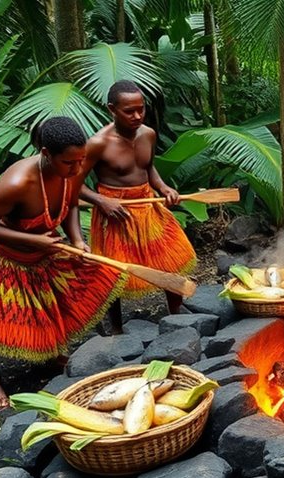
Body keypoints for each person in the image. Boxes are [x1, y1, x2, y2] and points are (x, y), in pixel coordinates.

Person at [0, 117, 127, 408]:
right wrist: (35, 240)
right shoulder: (18, 182)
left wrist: (76, 239)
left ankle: (50, 354)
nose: (77, 169)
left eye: (81, 160)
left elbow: (71, 202)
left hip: (41, 246)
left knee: (63, 293)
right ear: (47, 154)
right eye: (69, 162)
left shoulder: (69, 170)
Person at [80, 80, 197, 334]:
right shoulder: (98, 143)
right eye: (129, 111)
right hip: (116, 211)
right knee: (115, 270)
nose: (137, 116)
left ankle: (176, 316)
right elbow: (72, 183)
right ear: (112, 109)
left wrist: (163, 188)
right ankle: (116, 329)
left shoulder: (148, 134)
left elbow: (148, 167)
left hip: (148, 204)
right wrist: (101, 200)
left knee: (171, 257)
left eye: (140, 109)